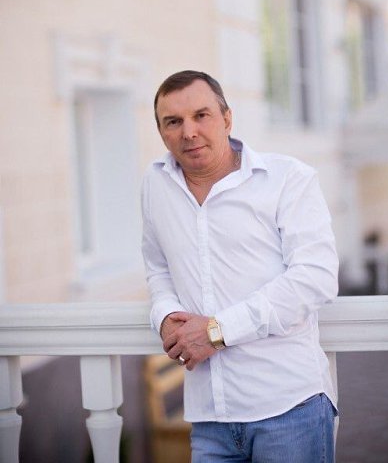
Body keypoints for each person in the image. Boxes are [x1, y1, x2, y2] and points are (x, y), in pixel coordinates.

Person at [141, 70, 339, 463]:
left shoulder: (288, 178)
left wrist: (217, 332)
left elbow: (315, 278)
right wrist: (164, 316)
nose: (189, 132)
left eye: (201, 115)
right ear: (161, 132)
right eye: (173, 121)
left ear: (227, 118)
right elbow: (158, 267)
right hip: (208, 419)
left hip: (289, 409)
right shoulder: (155, 183)